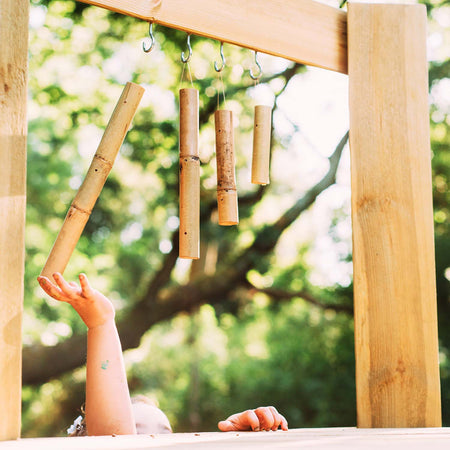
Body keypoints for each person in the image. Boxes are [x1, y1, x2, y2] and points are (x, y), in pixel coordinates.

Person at [37, 272, 289, 436]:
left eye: (163, 432)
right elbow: (113, 438)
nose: (151, 438)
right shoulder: (110, 436)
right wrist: (101, 323)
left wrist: (243, 440)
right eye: (136, 429)